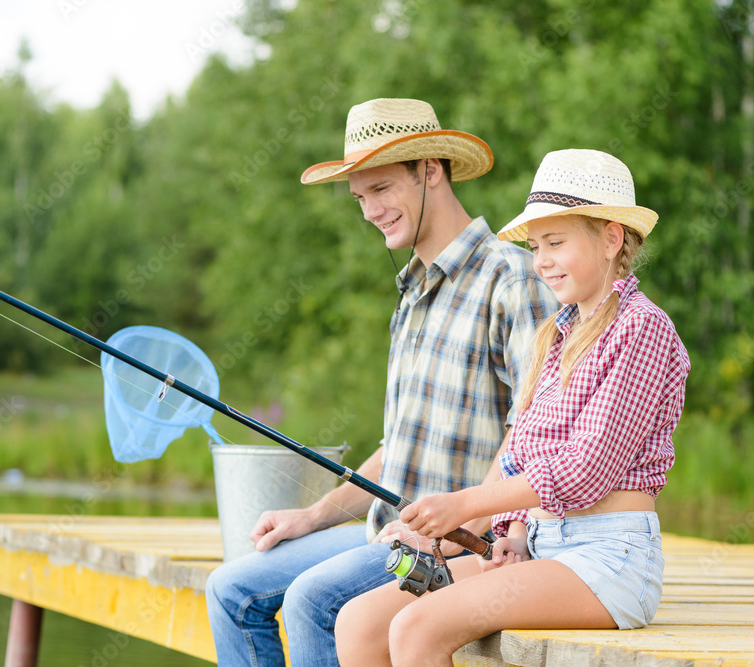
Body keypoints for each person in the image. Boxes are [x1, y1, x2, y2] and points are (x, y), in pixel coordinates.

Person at [205, 98, 558, 666]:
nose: (370, 210)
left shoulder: (510, 276)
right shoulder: (411, 294)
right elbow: (397, 450)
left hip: (458, 546)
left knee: (312, 601)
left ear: (431, 171)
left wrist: (451, 532)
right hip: (387, 532)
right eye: (360, 196)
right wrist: (314, 514)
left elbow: (532, 435)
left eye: (383, 188)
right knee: (230, 590)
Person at [334, 148, 692, 667]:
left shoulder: (642, 328)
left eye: (555, 242)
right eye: (535, 245)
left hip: (609, 561)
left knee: (417, 626)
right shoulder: (556, 333)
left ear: (611, 238)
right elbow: (525, 450)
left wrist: (465, 505)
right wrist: (514, 532)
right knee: (361, 623)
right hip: (543, 548)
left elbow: (585, 469)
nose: (540, 260)